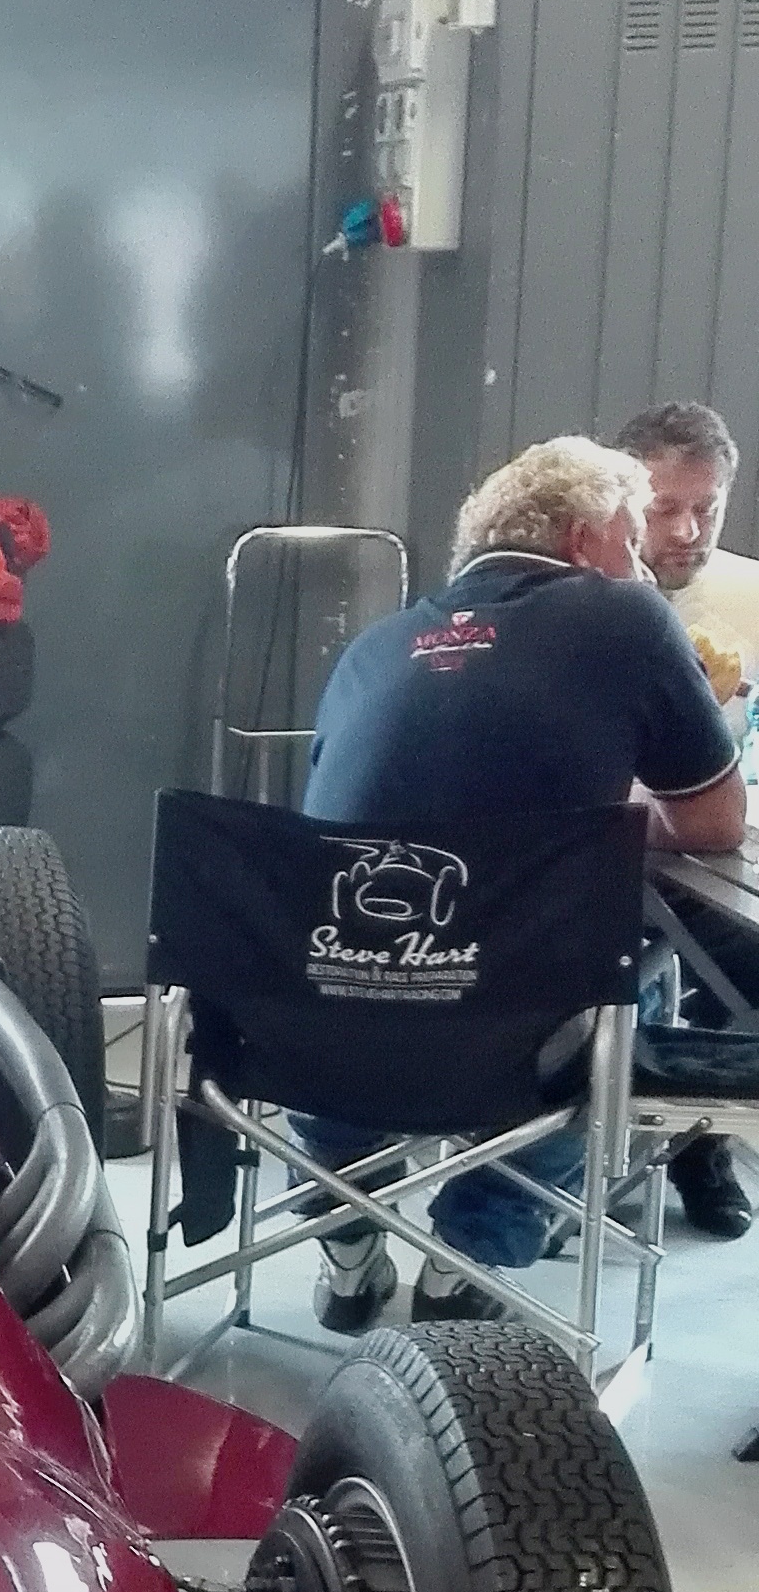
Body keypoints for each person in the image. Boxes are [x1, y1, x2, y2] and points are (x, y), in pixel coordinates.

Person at [298, 433, 744, 1328]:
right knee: (635, 974)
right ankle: (471, 1256)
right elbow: (714, 823)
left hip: (318, 1029)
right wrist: (627, 817)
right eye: (632, 542)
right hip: (508, 1033)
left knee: (372, 982)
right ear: (585, 539)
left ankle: (347, 1243)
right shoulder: (627, 616)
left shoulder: (371, 649)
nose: (641, 568)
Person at [615, 401, 757, 1236]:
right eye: (665, 507)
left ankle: (700, 1139)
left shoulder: (746, 596)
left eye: (707, 507)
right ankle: (660, 1130)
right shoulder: (597, 595)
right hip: (611, 849)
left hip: (713, 838)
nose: (687, 530)